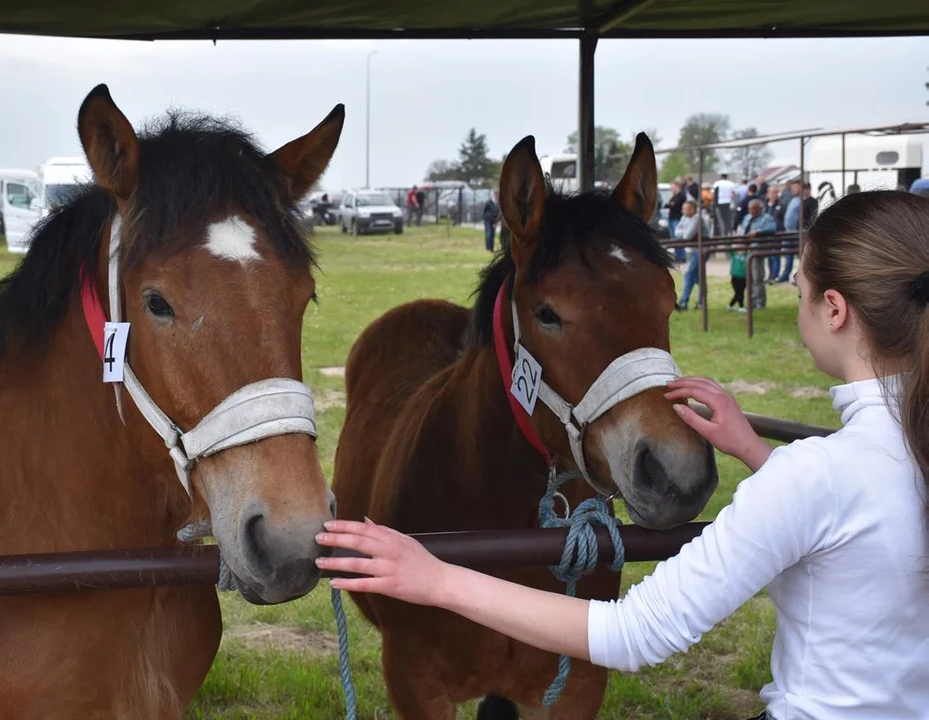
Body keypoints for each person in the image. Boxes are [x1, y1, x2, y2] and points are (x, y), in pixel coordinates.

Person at [316, 191, 929, 720]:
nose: (796, 306)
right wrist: (755, 452)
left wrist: (436, 575)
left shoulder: (816, 475)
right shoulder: (887, 455)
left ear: (835, 311)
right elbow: (854, 514)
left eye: (798, 291)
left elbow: (635, 633)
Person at [673, 198, 709, 310]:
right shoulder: (685, 217)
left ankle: (684, 302)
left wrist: (683, 231)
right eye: (683, 209)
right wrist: (683, 231)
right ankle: (701, 302)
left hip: (702, 250)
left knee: (689, 275)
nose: (683, 211)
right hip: (694, 250)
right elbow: (676, 231)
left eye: (686, 209)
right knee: (698, 278)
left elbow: (687, 235)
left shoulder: (697, 218)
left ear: (693, 209)